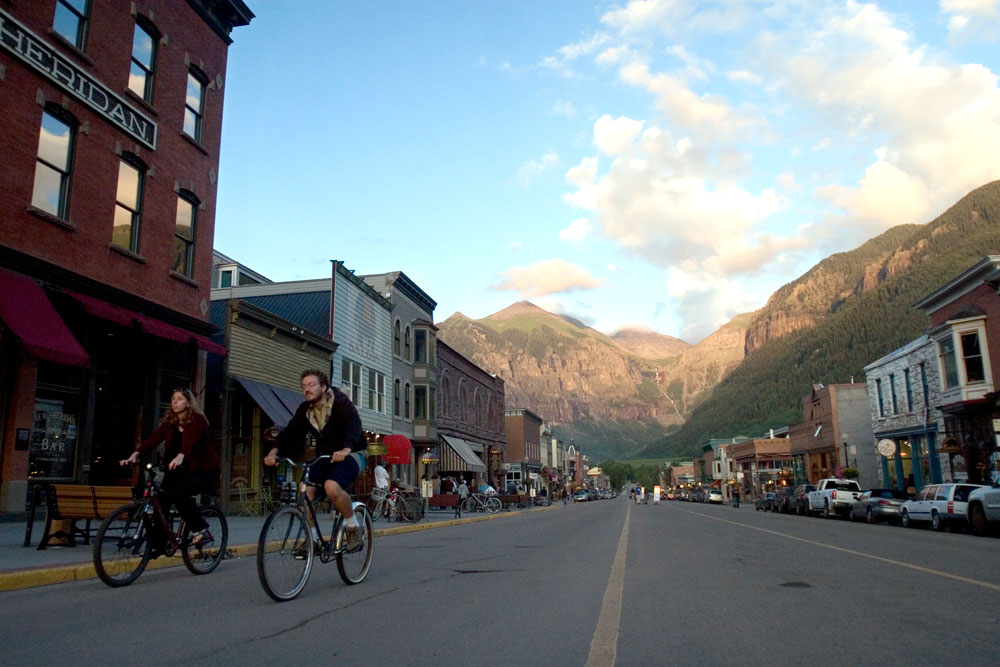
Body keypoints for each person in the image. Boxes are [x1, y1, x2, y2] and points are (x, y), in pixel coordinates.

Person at [264, 369, 367, 552]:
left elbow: (354, 424)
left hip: (353, 453)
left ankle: (353, 528)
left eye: (311, 385)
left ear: (323, 386)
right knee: (305, 491)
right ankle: (312, 539)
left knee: (331, 486)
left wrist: (346, 448)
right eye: (304, 386)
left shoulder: (340, 402)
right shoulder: (305, 410)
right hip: (325, 455)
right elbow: (290, 432)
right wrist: (274, 452)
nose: (307, 389)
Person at [121, 388, 219, 555]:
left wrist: (181, 456)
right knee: (161, 502)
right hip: (176, 468)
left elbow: (190, 441)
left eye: (180, 399)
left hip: (201, 469)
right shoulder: (169, 423)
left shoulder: (198, 420)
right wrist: (136, 454)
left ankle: (200, 528)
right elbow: (153, 440)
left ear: (188, 403)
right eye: (173, 399)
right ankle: (160, 545)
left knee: (180, 494)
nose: (175, 402)